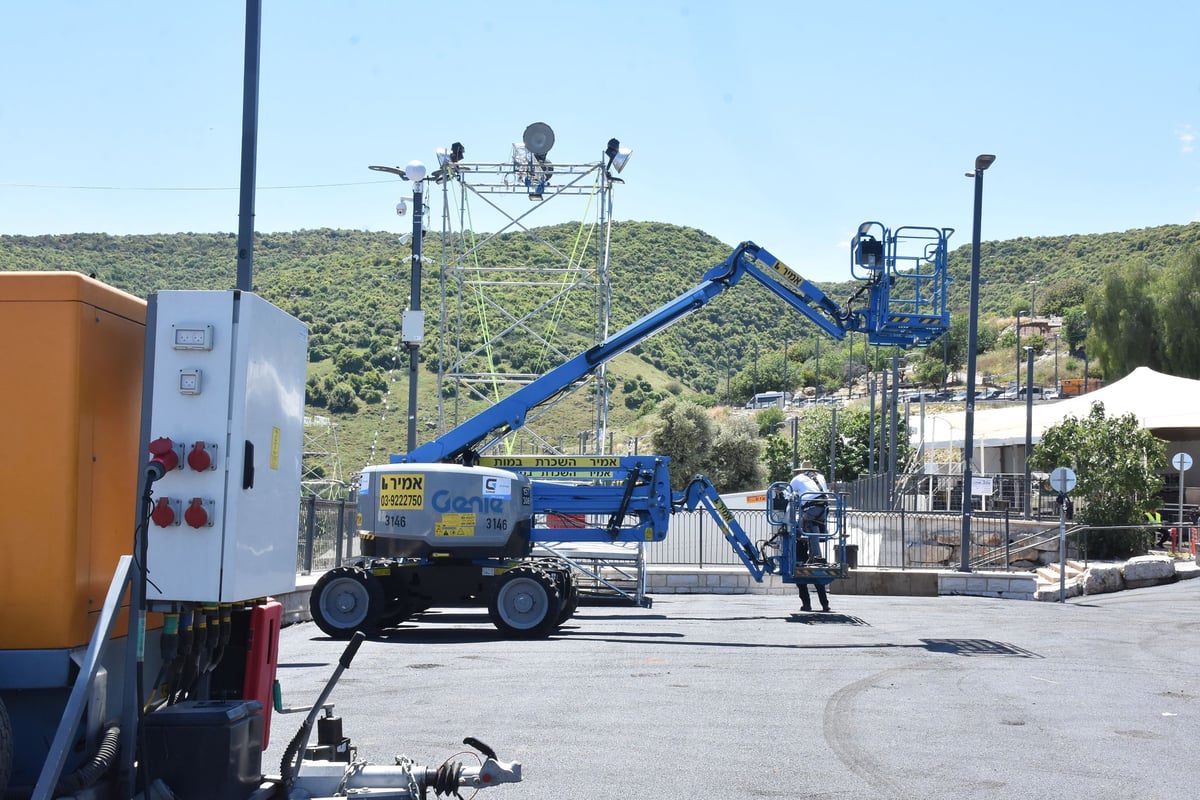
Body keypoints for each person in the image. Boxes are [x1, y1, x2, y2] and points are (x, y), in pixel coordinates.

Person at [790, 462, 829, 563]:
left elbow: (787, 492)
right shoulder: (820, 477)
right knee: (814, 527)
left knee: (809, 526)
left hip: (812, 507)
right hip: (824, 507)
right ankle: (813, 557)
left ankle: (816, 556)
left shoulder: (798, 478)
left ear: (802, 470)